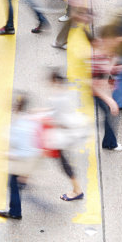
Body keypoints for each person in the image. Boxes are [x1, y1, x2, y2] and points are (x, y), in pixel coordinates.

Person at [0, 95, 43, 220]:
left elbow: (17, 145)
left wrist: (9, 154)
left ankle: (15, 212)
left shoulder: (18, 125)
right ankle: (23, 183)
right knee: (17, 181)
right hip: (33, 158)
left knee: (13, 185)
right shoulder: (32, 120)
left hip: (23, 160)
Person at [45, 70, 87, 201]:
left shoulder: (58, 99)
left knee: (64, 163)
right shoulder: (67, 94)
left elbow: (58, 118)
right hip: (65, 134)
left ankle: (77, 190)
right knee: (63, 162)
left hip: (62, 137)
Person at [91, 27, 122, 151]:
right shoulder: (97, 57)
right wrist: (109, 100)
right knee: (110, 114)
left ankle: (109, 143)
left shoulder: (108, 52)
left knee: (110, 115)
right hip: (98, 91)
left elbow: (108, 68)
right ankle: (110, 143)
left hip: (104, 88)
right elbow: (93, 84)